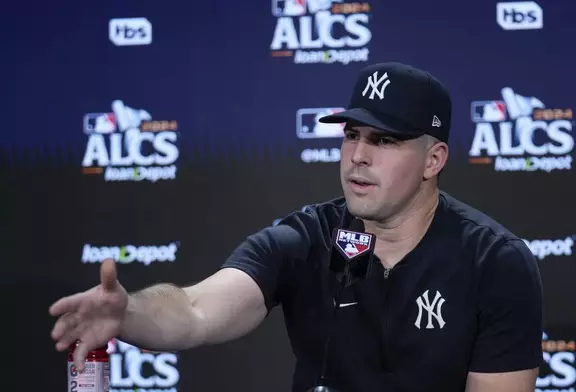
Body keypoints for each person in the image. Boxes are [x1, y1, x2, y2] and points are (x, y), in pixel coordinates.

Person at [50, 62, 543, 392]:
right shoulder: (306, 238)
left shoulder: (494, 262)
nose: (358, 156)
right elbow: (197, 308)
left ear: (433, 159)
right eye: (351, 135)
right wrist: (129, 314)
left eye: (385, 140)